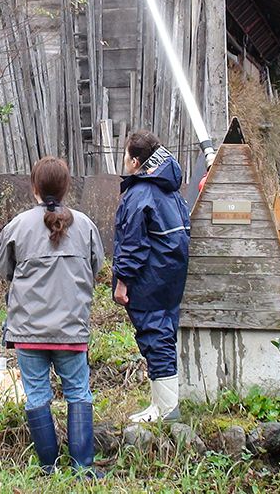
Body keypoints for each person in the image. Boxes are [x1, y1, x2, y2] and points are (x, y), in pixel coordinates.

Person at [0, 156, 105, 476]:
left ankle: (49, 467)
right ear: (67, 186)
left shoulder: (16, 226)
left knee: (37, 397)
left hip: (27, 331)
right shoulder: (85, 226)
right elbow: (96, 267)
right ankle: (83, 467)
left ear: (34, 188)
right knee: (78, 393)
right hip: (71, 330)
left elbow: (5, 270)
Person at [112, 131, 191, 423]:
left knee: (154, 335)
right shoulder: (171, 191)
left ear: (135, 160)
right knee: (163, 333)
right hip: (170, 276)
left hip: (149, 277)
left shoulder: (140, 194)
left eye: (125, 155)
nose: (124, 160)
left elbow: (132, 243)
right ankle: (160, 404)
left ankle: (167, 410)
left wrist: (122, 281)